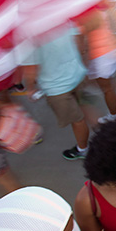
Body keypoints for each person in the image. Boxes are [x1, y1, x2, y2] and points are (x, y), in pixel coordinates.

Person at [22, 27, 91, 161]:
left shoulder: (29, 36)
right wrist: (82, 63)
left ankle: (83, 149)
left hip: (57, 87)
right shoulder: (62, 18)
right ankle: (98, 128)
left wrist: (30, 88)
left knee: (77, 120)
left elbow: (31, 69)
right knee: (81, 108)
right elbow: (80, 41)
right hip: (76, 74)